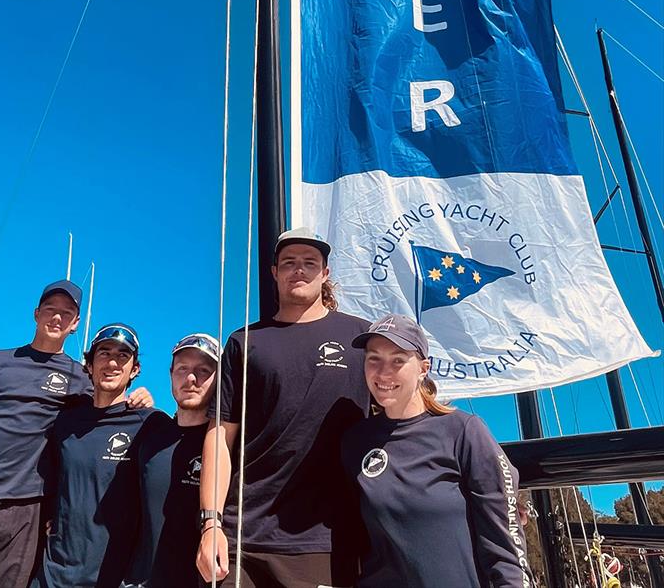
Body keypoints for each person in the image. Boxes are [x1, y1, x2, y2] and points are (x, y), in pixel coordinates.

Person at [0, 280, 151, 588]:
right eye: (50, 309)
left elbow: (105, 413)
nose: (57, 317)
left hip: (31, 513)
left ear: (76, 324)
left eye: (67, 313)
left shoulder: (82, 377)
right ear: (36, 314)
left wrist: (140, 399)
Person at [197, 228, 371, 588]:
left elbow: (396, 421)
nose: (299, 270)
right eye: (289, 262)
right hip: (242, 538)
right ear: (274, 272)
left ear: (325, 274)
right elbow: (219, 438)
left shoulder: (362, 340)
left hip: (327, 541)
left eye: (310, 263)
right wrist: (211, 523)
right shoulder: (244, 342)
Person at [340, 313, 532, 588]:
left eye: (398, 360)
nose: (383, 372)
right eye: (374, 359)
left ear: (423, 368)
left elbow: (505, 538)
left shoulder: (464, 431)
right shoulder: (355, 442)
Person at [31, 323, 158, 588]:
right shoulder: (65, 422)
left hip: (112, 578)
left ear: (135, 369)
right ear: (88, 365)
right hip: (52, 573)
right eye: (104, 353)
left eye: (123, 356)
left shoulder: (150, 425)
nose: (112, 362)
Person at [126, 332, 219, 588]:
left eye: (203, 370)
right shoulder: (148, 431)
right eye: (182, 369)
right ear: (170, 374)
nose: (191, 378)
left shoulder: (226, 446)